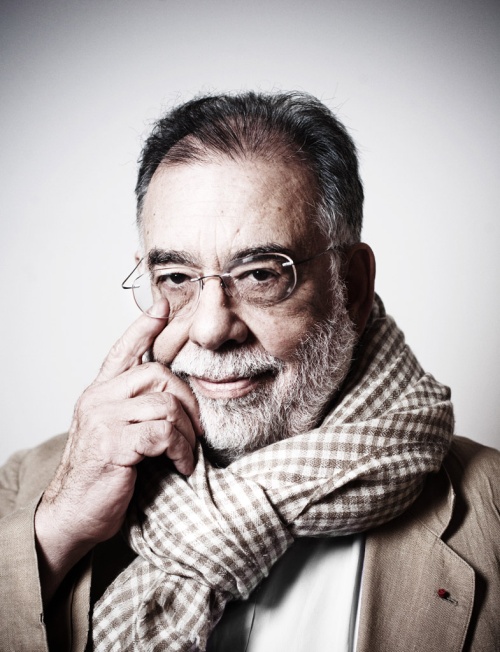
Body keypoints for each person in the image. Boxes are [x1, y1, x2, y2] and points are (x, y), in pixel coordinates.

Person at [0, 92, 498, 652]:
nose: (211, 329)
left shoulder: (494, 514)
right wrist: (58, 531)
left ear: (351, 287)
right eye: (176, 278)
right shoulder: (31, 489)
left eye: (261, 274)